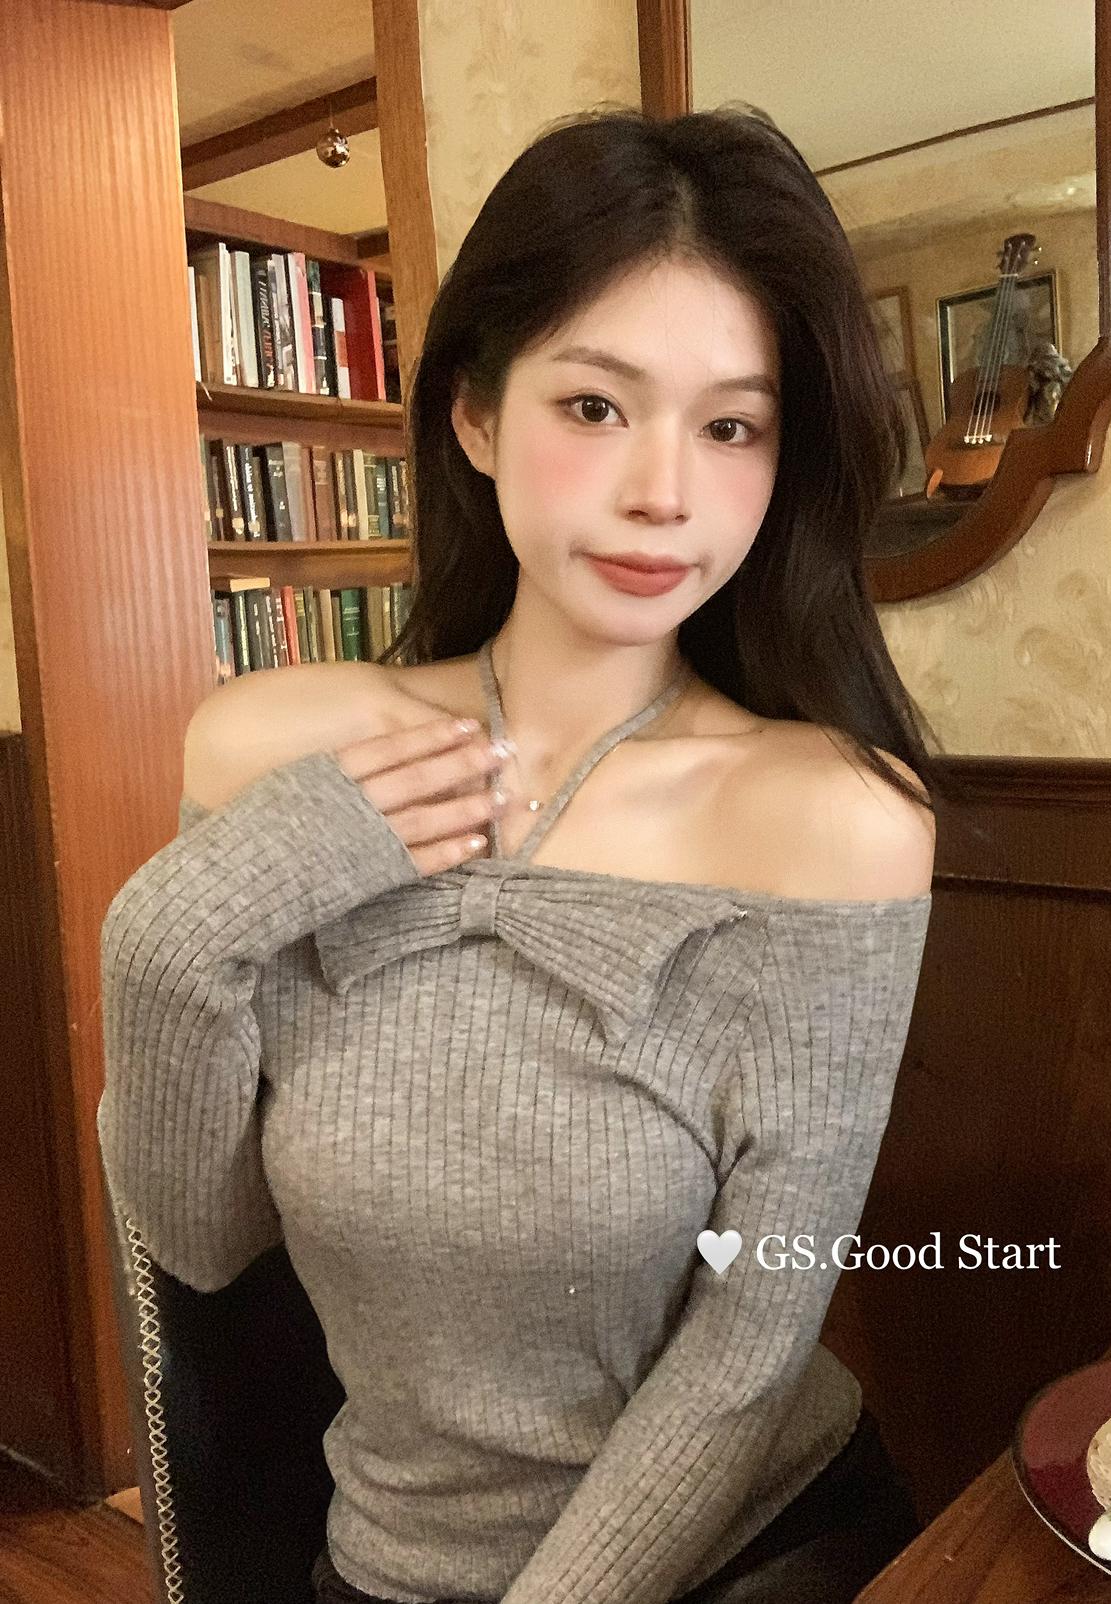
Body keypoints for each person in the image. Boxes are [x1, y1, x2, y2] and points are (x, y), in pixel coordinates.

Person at [98, 103, 945, 1604]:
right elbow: (207, 1241)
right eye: (597, 406)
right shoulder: (268, 747)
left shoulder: (834, 821)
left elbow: (748, 1350)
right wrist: (170, 936)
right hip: (375, 1555)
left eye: (731, 426)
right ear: (476, 416)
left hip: (745, 1555)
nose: (663, 490)